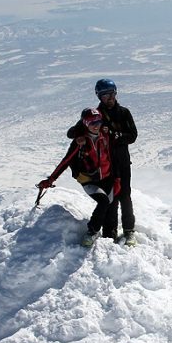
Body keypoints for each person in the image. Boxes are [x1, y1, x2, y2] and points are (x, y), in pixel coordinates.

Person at [67, 79, 138, 244]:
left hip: (122, 162)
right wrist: (78, 135)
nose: (110, 98)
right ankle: (109, 233)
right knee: (111, 200)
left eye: (112, 94)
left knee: (125, 196)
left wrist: (117, 136)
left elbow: (133, 135)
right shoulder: (96, 115)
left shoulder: (124, 113)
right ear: (99, 97)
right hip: (106, 166)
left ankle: (129, 231)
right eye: (105, 95)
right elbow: (73, 131)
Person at [39, 108, 120, 246]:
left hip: (108, 177)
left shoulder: (105, 134)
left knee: (112, 206)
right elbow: (66, 161)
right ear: (85, 123)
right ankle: (92, 232)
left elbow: (113, 155)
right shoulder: (81, 141)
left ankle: (110, 237)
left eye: (98, 121)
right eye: (91, 122)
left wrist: (117, 177)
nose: (96, 125)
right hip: (90, 180)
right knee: (104, 202)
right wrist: (50, 179)